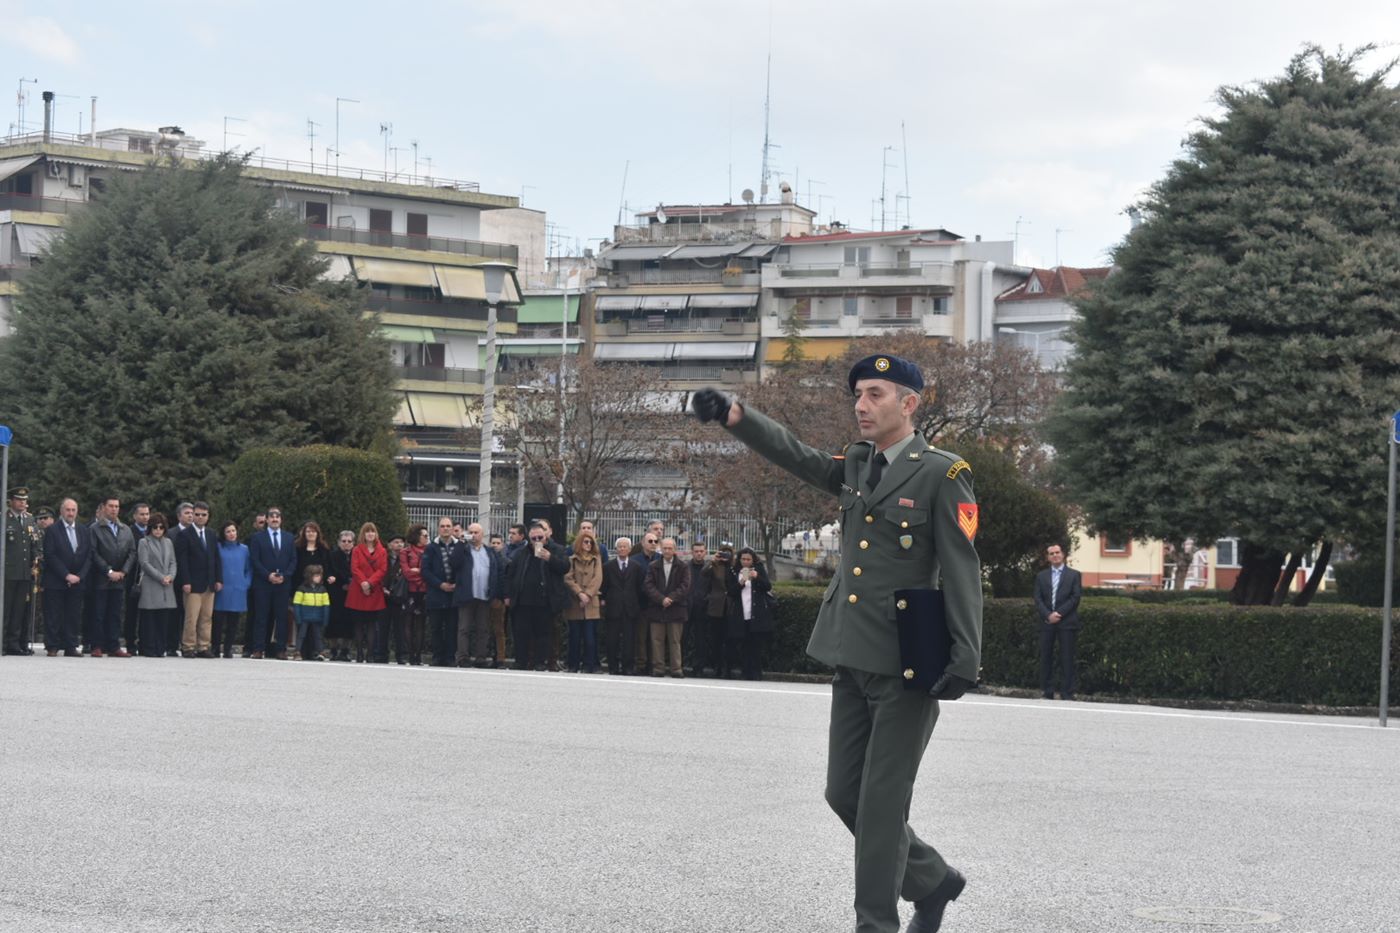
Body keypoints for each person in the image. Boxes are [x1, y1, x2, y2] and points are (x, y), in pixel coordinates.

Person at [692, 352, 983, 933]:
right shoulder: (856, 464)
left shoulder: (942, 474)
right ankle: (931, 879)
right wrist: (736, 416)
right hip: (851, 654)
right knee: (842, 792)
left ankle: (875, 925)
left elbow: (963, 569)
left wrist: (965, 658)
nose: (861, 404)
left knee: (880, 809)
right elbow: (796, 456)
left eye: (876, 393)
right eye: (858, 394)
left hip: (908, 664)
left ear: (910, 403)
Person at [503, 522, 569, 670]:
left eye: (540, 537)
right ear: (529, 538)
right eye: (534, 538)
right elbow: (509, 574)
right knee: (521, 634)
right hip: (523, 601)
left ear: (546, 536)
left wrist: (550, 558)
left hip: (545, 600)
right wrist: (508, 595)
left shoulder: (557, 550)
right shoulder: (522, 552)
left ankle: (540, 662)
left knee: (543, 634)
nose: (537, 540)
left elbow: (565, 567)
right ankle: (521, 661)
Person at [87, 496, 136, 658]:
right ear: (104, 507)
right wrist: (108, 571)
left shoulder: (125, 529)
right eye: (111, 506)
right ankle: (97, 645)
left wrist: (123, 572)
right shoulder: (95, 528)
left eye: (116, 506)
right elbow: (93, 553)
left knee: (115, 614)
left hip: (120, 579)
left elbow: (132, 552)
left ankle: (114, 646)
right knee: (98, 613)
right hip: (101, 579)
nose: (114, 509)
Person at [42, 498, 92, 657]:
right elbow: (50, 555)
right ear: (61, 511)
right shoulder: (52, 530)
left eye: (73, 510)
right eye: (67, 510)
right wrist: (66, 575)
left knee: (73, 615)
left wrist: (79, 576)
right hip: (56, 580)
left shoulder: (84, 530)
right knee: (54, 615)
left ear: (77, 512)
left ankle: (70, 646)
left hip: (77, 581)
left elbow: (88, 555)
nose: (70, 513)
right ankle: (52, 646)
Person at [1034, 543, 1083, 701]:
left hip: (1067, 622)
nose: (1055, 555)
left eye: (1057, 552)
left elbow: (1075, 597)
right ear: (1048, 557)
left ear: (1063, 555)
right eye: (1051, 553)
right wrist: (1048, 615)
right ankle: (1047, 691)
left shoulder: (1074, 575)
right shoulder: (1041, 576)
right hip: (1047, 622)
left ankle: (1067, 693)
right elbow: (1038, 598)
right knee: (1046, 657)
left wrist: (1059, 613)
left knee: (1067, 658)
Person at [451, 522, 504, 668]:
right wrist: (461, 543)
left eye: (476, 533)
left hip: (484, 596)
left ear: (482, 535)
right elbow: (454, 563)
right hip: (467, 595)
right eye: (471, 532)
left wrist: (496, 593)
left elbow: (498, 571)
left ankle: (481, 657)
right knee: (464, 628)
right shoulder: (464, 549)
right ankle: (463, 657)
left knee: (483, 629)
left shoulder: (490, 552)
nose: (473, 535)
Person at [248, 506, 297, 659]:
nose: (275, 519)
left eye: (277, 517)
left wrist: (285, 575)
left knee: (281, 617)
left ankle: (280, 650)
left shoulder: (289, 538)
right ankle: (258, 649)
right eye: (272, 516)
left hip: (282, 584)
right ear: (267, 520)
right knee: (261, 617)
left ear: (281, 520)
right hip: (263, 583)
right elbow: (255, 560)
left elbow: (293, 560)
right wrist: (267, 575)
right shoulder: (257, 537)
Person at [175, 501, 222, 658]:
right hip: (193, 584)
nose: (200, 518)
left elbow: (216, 558)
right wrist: (185, 581)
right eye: (197, 515)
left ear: (208, 517)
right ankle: (188, 646)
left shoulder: (211, 534)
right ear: (193, 515)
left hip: (209, 583)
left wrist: (218, 579)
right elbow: (182, 561)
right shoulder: (184, 535)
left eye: (204, 515)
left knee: (206, 617)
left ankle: (203, 646)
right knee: (191, 617)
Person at [643, 537, 690, 678]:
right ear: (661, 549)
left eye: (670, 548)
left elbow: (685, 586)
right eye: (665, 548)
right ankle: (659, 668)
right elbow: (648, 585)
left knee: (675, 641)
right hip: (657, 609)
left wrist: (671, 598)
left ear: (675, 550)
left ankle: (676, 669)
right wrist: (661, 599)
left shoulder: (683, 566)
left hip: (676, 609)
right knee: (657, 641)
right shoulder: (653, 565)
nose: (667, 550)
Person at [726, 547, 774, 681]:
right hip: (741, 613)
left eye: (748, 559)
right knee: (743, 644)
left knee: (756, 645)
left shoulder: (758, 569)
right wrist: (741, 582)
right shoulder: (733, 571)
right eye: (743, 559)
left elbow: (767, 586)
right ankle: (745, 671)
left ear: (753, 560)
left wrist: (757, 577)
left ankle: (756, 672)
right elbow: (730, 591)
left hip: (756, 614)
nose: (745, 562)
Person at [600, 537, 646, 676]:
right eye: (619, 546)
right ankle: (613, 666)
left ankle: (628, 667)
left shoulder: (636, 566)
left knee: (629, 640)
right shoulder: (607, 566)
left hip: (630, 608)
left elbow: (640, 588)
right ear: (616, 549)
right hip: (613, 607)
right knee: (612, 639)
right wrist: (603, 600)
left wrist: (637, 605)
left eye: (625, 546)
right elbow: (604, 586)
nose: (622, 549)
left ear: (630, 549)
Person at [421, 517, 461, 667]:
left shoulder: (460, 546)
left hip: (454, 595)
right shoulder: (431, 548)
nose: (445, 528)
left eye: (448, 526)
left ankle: (450, 657)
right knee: (436, 628)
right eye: (442, 526)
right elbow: (425, 571)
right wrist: (440, 584)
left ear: (452, 528)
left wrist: (458, 584)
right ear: (438, 529)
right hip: (436, 594)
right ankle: (437, 657)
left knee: (452, 628)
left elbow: (464, 568)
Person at [136, 513, 177, 658]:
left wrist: (170, 576)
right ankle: (148, 648)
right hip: (151, 584)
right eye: (155, 527)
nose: (158, 530)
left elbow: (173, 562)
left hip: (166, 585)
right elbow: (145, 563)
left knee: (163, 619)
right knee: (149, 619)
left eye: (161, 527)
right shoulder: (144, 542)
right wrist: (161, 577)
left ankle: (160, 648)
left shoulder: (168, 542)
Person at [345, 522, 387, 663]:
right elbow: (355, 568)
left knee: (371, 624)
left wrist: (369, 582)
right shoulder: (357, 550)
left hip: (373, 590)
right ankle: (359, 653)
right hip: (358, 589)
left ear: (376, 534)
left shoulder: (382, 551)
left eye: (372, 531)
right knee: (358, 623)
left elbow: (382, 569)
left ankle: (370, 653)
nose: (370, 534)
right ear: (363, 534)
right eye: (367, 531)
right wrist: (363, 582)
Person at [4, 487, 38, 655]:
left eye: (24, 500)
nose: (22, 503)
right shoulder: (4, 519)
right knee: (6, 609)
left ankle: (14, 643)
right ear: (11, 501)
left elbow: (35, 544)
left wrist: (36, 560)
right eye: (19, 499)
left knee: (19, 610)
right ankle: (2, 642)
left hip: (25, 572)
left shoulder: (30, 520)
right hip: (8, 573)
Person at [563, 527, 603, 673]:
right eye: (586, 542)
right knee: (574, 636)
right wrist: (579, 593)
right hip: (575, 602)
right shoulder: (571, 559)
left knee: (590, 637)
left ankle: (589, 665)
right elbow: (568, 578)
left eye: (591, 543)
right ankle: (572, 664)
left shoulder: (596, 559)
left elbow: (597, 578)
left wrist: (588, 594)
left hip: (591, 602)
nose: (588, 545)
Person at [294, 522, 334, 659]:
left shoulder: (324, 550)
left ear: (318, 533)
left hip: (318, 590)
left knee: (316, 629)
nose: (311, 534)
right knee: (302, 627)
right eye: (308, 531)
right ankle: (300, 651)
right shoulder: (298, 549)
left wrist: (329, 577)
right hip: (302, 589)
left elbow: (328, 567)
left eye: (313, 531)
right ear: (304, 534)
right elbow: (294, 568)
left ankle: (316, 651)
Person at [213, 521, 251, 658]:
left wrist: (246, 583)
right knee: (217, 621)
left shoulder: (244, 549)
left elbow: (248, 569)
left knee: (233, 622)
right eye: (228, 531)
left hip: (238, 589)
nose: (231, 534)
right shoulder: (218, 548)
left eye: (233, 531)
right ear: (223, 534)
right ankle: (215, 648)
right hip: (222, 588)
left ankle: (228, 649)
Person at [123, 502, 151, 656]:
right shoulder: (129, 531)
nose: (145, 517)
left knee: (146, 612)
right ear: (135, 516)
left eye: (147, 514)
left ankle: (144, 642)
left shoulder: (152, 531)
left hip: (149, 578)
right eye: (142, 514)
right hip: (133, 577)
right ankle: (130, 643)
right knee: (132, 612)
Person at [704, 545, 735, 677]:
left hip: (731, 607)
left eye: (728, 555)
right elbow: (704, 573)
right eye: (723, 554)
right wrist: (713, 560)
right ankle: (717, 667)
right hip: (716, 607)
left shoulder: (736, 567)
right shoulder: (715, 566)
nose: (725, 557)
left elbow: (745, 581)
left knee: (729, 640)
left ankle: (728, 668)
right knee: (716, 639)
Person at [325, 530, 356, 661]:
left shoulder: (357, 555)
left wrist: (351, 582)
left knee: (349, 622)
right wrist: (343, 581)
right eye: (343, 541)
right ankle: (333, 650)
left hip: (352, 591)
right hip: (336, 591)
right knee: (334, 621)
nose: (346, 544)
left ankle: (345, 650)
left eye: (349, 541)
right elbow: (332, 571)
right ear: (338, 542)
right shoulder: (333, 555)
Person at [378, 532, 407, 663]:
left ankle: (401, 654)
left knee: (400, 628)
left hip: (399, 596)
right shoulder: (384, 557)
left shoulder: (406, 558)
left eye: (401, 542)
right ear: (389, 545)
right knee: (383, 627)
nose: (399, 545)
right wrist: (383, 588)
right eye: (396, 542)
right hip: (383, 596)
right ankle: (381, 654)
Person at [401, 525, 428, 665]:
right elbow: (406, 572)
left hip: (424, 591)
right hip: (409, 591)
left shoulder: (429, 551)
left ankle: (418, 654)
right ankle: (411, 654)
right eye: (425, 536)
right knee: (408, 623)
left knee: (421, 624)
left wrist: (418, 572)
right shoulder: (406, 551)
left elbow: (428, 572)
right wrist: (418, 574)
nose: (427, 538)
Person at [292, 564, 330, 661]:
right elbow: (296, 604)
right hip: (305, 616)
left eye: (320, 575)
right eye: (316, 575)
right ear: (309, 576)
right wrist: (298, 617)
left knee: (318, 636)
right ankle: (297, 651)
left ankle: (321, 651)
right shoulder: (301, 589)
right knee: (301, 635)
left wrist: (325, 618)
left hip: (317, 617)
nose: (319, 578)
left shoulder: (322, 589)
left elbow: (326, 605)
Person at [686, 541, 712, 675]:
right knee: (682, 639)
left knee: (701, 640)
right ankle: (681, 665)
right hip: (686, 608)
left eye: (701, 551)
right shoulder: (685, 567)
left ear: (705, 552)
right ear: (692, 552)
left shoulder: (710, 568)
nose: (699, 553)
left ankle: (699, 668)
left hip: (703, 608)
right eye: (696, 551)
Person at [487, 533, 509, 667]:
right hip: (486, 598)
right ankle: (489, 655)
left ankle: (500, 658)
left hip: (499, 599)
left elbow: (506, 581)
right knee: (486, 629)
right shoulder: (486, 559)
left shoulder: (506, 561)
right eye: (493, 543)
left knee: (499, 630)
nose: (495, 545)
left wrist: (503, 597)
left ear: (502, 545)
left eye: (497, 543)